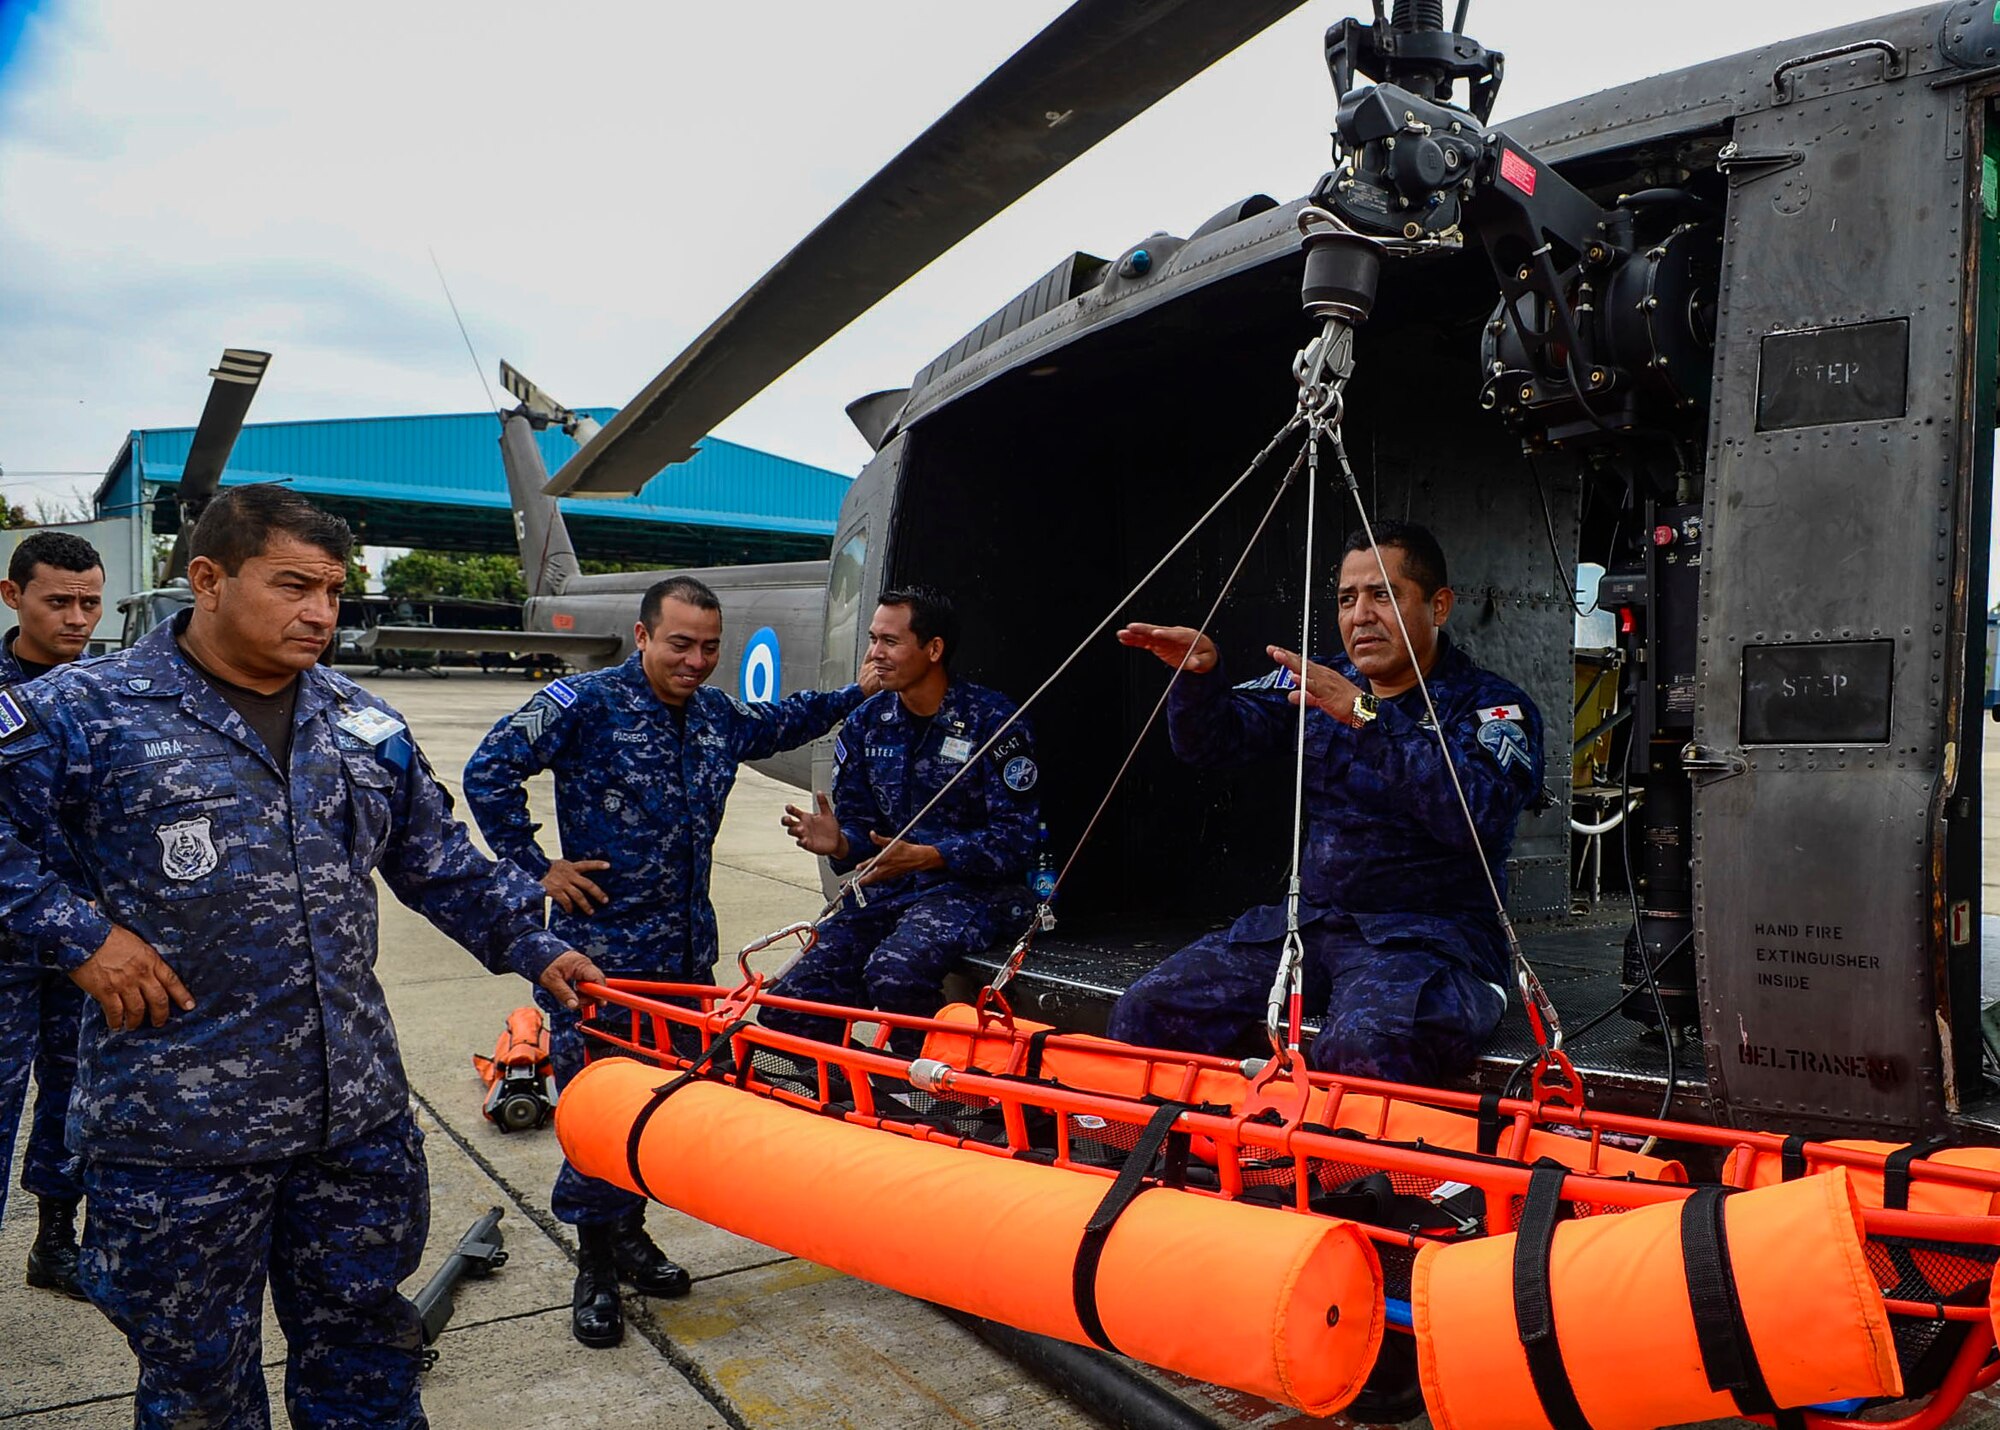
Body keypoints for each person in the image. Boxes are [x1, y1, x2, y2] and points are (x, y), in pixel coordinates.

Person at [0, 486, 600, 1429]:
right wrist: (81, 938)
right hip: (180, 1137)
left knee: (367, 1357)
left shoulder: (360, 720)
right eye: (292, 586)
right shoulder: (84, 711)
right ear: (207, 579)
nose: (321, 612)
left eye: (332, 590)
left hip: (351, 1121)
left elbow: (438, 863)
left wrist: (539, 945)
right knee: (198, 1389)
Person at [462, 574, 875, 1349]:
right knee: (595, 1109)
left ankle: (630, 1236)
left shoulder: (716, 716)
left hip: (685, 959)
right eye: (680, 643)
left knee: (658, 1105)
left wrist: (862, 688)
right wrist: (536, 865)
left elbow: (789, 719)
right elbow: (488, 772)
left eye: (709, 647)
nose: (696, 660)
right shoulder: (583, 704)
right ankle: (593, 1264)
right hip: (600, 959)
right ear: (645, 635)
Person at [1107, 522, 1544, 1084]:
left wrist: (1365, 717)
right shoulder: (1321, 681)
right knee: (1149, 1010)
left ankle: (1369, 1174)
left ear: (1439, 606)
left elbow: (1474, 813)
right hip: (1311, 926)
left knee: (1367, 1046)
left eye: (1383, 594)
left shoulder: (1492, 707)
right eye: (1347, 598)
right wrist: (1201, 679)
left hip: (1431, 940)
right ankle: (1172, 1159)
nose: (1360, 615)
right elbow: (1214, 742)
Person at [770, 586, 1040, 1052]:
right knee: (790, 999)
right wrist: (839, 843)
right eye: (873, 640)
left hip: (973, 892)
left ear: (933, 649)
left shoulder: (992, 721)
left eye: (890, 642)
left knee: (894, 975)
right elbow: (863, 835)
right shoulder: (866, 723)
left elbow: (1017, 839)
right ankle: (844, 1091)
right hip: (892, 890)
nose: (875, 654)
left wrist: (933, 856)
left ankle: (940, 1090)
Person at [0, 530, 105, 1297]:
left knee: (75, 1095)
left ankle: (56, 1242)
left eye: (90, 603)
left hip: (83, 946)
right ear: (13, 597)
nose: (77, 618)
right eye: (58, 601)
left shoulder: (105, 695)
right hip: (5, 943)